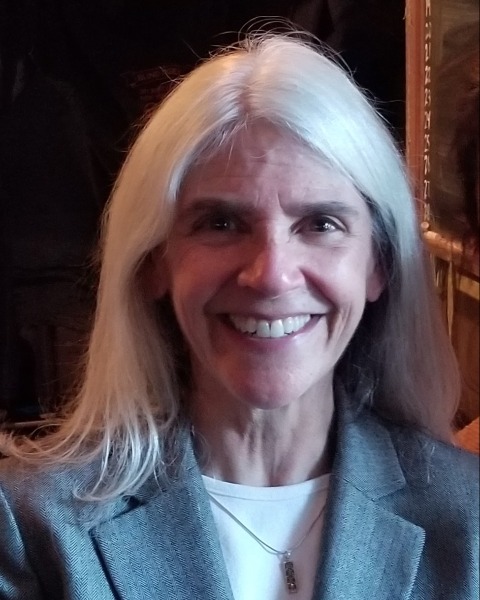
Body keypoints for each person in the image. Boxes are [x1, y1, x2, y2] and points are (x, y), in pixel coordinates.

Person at [0, 33, 478, 600]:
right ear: (154, 261)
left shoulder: (467, 516)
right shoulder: (32, 527)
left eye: (320, 224)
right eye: (221, 224)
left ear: (377, 264)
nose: (272, 275)